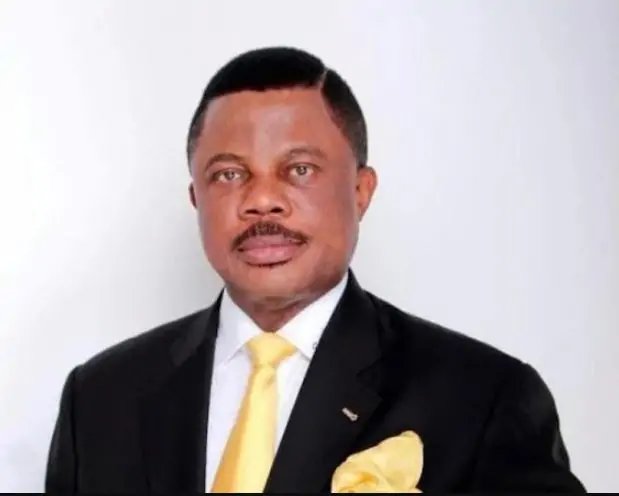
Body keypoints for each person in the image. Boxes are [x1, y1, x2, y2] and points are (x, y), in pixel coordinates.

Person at [45, 46, 585, 493]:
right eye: (229, 174)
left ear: (361, 190)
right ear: (196, 199)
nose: (262, 200)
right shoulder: (99, 399)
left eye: (299, 169)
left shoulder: (482, 398)